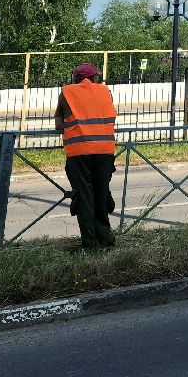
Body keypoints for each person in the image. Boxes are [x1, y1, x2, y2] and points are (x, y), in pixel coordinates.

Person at [54, 62, 117, 250]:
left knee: (84, 197)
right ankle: (106, 238)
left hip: (79, 152)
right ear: (94, 78)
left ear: (75, 78)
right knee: (101, 194)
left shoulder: (67, 92)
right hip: (105, 151)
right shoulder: (105, 91)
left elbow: (59, 124)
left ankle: (89, 244)